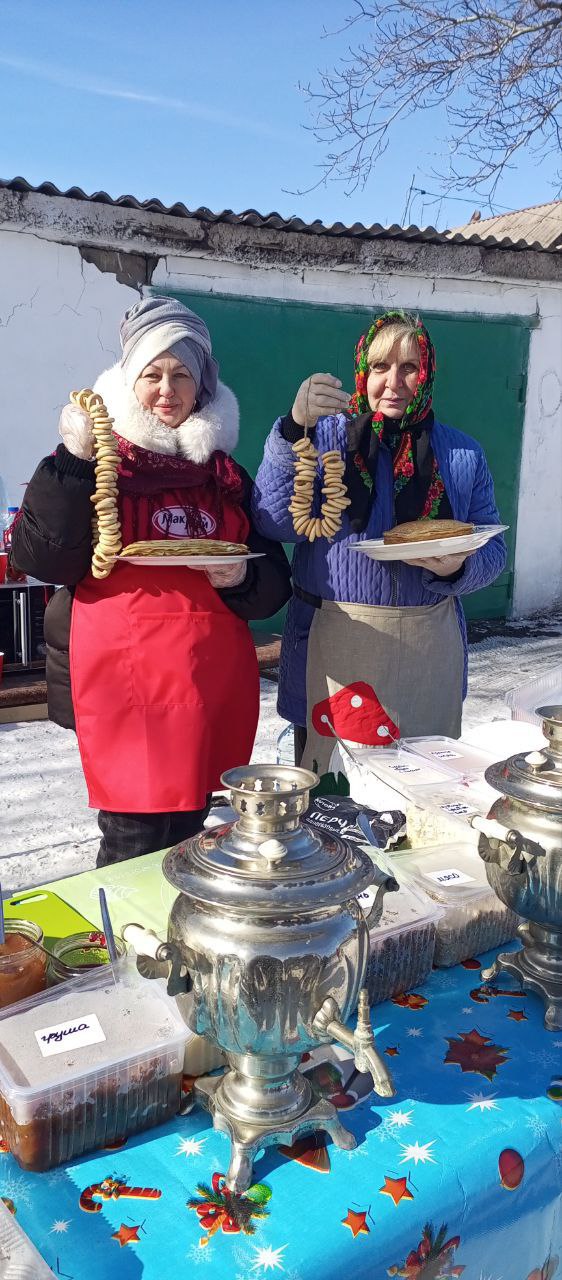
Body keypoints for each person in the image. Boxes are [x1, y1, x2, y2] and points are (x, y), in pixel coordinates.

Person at [12, 296, 291, 864]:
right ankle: (125, 951)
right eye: (153, 374)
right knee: (133, 841)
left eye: (182, 374)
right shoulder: (97, 460)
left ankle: (183, 948)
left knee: (192, 836)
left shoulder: (224, 476)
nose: (168, 389)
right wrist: (71, 459)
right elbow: (43, 557)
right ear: (128, 382)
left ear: (203, 386)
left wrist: (240, 576)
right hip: (126, 684)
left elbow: (271, 590)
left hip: (208, 683)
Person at [252, 310, 506, 776]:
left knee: (424, 799)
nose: (394, 382)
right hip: (333, 645)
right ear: (362, 374)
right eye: (380, 367)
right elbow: (271, 519)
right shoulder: (324, 437)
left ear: (427, 374)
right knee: (331, 800)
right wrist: (292, 429)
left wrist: (456, 569)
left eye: (409, 367)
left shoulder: (462, 454)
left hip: (426, 650)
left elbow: (492, 548)